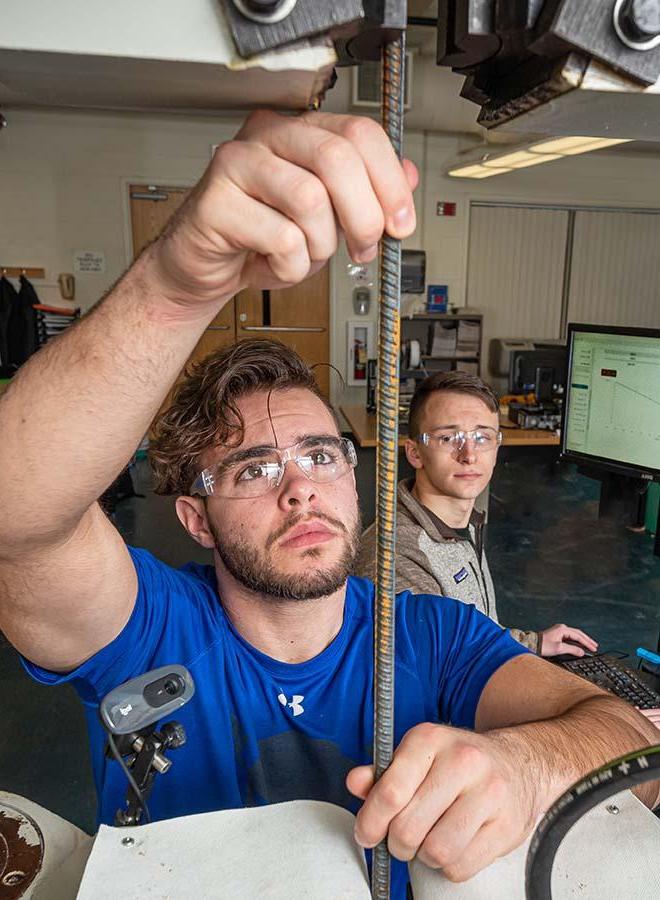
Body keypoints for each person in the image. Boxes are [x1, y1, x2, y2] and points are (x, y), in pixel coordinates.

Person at [0, 110, 657, 899]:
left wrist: (524, 764)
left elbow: (630, 745)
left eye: (319, 455)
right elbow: (17, 517)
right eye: (251, 471)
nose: (301, 486)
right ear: (195, 518)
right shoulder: (150, 629)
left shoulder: (429, 635)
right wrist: (176, 286)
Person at [356, 370, 598, 657]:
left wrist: (531, 643)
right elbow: (442, 671)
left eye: (482, 437)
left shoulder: (460, 523)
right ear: (415, 453)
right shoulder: (398, 556)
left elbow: (462, 633)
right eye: (448, 438)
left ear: (497, 447)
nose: (469, 454)